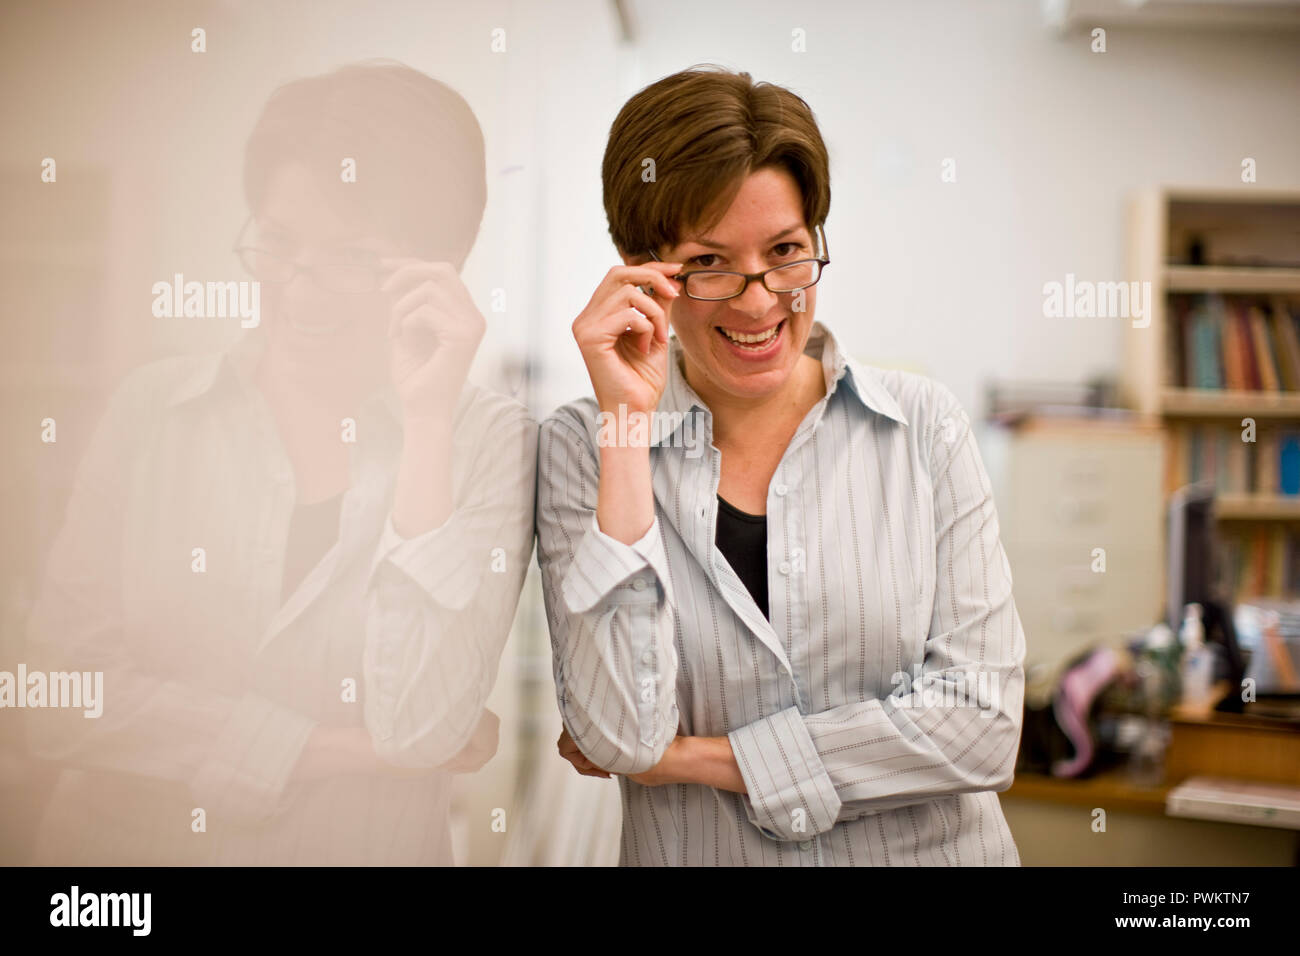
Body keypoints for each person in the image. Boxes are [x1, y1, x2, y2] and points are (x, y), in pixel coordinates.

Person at [22, 60, 537, 864]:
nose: (299, 291)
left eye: (354, 258)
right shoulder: (151, 410)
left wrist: (428, 420)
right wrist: (340, 749)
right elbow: (55, 699)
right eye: (279, 242)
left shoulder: (486, 442)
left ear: (438, 270)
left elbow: (425, 725)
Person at [535, 65, 1026, 866]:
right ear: (639, 269)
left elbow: (982, 729)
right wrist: (626, 423)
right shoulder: (580, 447)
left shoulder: (923, 427)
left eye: (787, 252)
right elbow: (621, 733)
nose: (760, 302)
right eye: (709, 263)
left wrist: (696, 758)